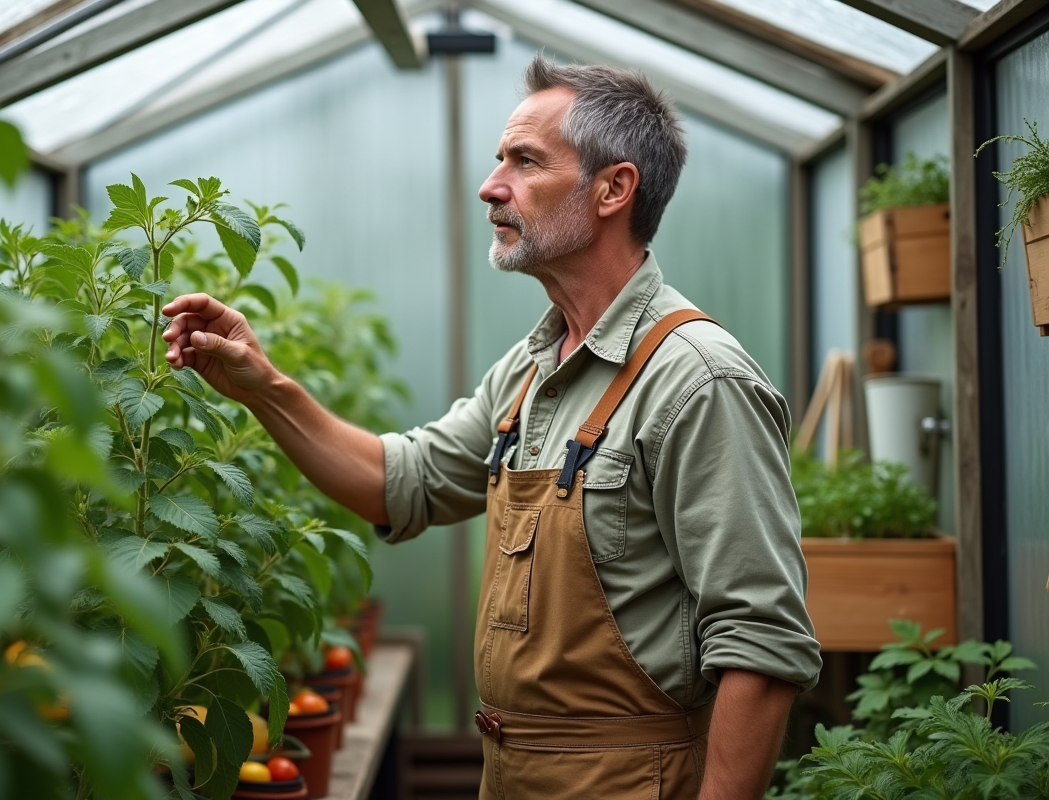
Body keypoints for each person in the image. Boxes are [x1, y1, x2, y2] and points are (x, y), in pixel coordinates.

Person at [162, 55, 821, 800]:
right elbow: (401, 483)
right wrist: (264, 386)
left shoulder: (697, 379)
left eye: (524, 160)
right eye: (498, 158)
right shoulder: (534, 367)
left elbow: (761, 644)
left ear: (613, 188)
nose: (491, 185)